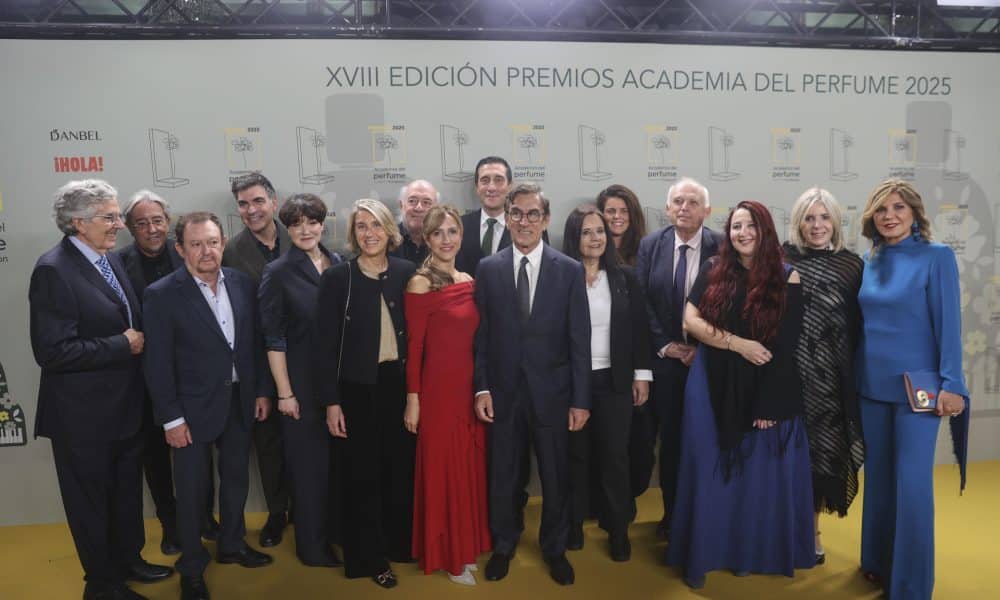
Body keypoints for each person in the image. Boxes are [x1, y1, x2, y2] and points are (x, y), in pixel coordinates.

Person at [30, 179, 172, 600]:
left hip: (124, 409)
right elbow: (52, 351)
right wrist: (120, 345)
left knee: (125, 497)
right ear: (78, 223)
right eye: (109, 217)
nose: (119, 225)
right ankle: (104, 586)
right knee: (91, 504)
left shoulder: (106, 260)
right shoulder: (53, 269)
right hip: (82, 419)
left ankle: (129, 561)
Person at [666, 200, 814, 589]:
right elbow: (690, 320)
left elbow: (785, 346)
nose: (742, 233)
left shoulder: (788, 276)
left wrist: (770, 404)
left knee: (756, 477)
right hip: (709, 383)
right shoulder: (715, 270)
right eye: (735, 227)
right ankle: (707, 551)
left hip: (766, 384)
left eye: (750, 226)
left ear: (765, 230)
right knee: (708, 471)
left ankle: (750, 553)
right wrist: (736, 344)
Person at [144, 211, 275, 600]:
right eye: (197, 244)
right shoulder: (162, 294)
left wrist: (262, 392)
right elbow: (158, 363)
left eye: (213, 242)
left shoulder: (240, 283)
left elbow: (253, 344)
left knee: (236, 479)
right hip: (189, 409)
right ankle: (192, 567)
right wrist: (171, 418)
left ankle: (233, 545)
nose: (207, 251)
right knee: (192, 492)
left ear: (223, 243)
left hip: (239, 400)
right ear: (180, 248)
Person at [856, 179, 969, 600]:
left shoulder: (936, 257)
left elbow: (949, 325)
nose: (890, 215)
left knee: (912, 485)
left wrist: (952, 384)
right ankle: (878, 563)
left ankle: (911, 585)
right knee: (881, 481)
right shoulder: (871, 259)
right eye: (882, 209)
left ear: (915, 213)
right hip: (871, 388)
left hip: (919, 391)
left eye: (899, 207)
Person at [474, 183, 591, 586]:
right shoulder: (488, 269)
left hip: (554, 396)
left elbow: (580, 339)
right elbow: (482, 336)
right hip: (504, 395)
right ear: (506, 218)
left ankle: (554, 548)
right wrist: (482, 388)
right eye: (517, 214)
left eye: (533, 214)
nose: (524, 222)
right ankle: (504, 544)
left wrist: (580, 399)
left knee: (556, 477)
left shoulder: (569, 270)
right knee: (504, 475)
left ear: (546, 220)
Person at [317, 199, 417, 589]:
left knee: (398, 472)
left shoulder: (408, 273)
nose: (369, 233)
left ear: (390, 231)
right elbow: (324, 346)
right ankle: (370, 558)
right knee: (363, 478)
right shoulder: (337, 278)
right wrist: (330, 402)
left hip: (399, 387)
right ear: (353, 234)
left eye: (376, 226)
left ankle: (397, 544)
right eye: (361, 226)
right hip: (356, 390)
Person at [118, 190, 219, 554]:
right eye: (141, 223)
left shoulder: (189, 256)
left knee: (199, 451)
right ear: (129, 228)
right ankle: (171, 524)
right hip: (144, 377)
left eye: (157, 220)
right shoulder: (117, 264)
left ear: (168, 224)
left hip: (193, 376)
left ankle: (204, 518)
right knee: (155, 456)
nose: (151, 229)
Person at [404, 205, 491, 585]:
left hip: (468, 391)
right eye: (437, 233)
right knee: (444, 472)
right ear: (426, 238)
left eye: (452, 231)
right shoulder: (420, 283)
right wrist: (413, 398)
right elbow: (415, 349)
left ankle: (465, 548)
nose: (446, 240)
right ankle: (448, 557)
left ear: (461, 235)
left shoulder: (469, 278)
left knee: (467, 470)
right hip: (437, 394)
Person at [561, 205, 651, 562]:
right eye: (586, 232)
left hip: (615, 380)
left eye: (599, 231)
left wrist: (641, 375)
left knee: (615, 457)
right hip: (572, 383)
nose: (595, 238)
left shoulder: (625, 277)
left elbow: (640, 330)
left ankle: (618, 529)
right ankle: (572, 526)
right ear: (574, 237)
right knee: (575, 457)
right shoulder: (561, 276)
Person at [258, 194, 344, 568]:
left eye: (312, 222)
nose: (305, 230)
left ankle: (337, 535)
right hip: (301, 389)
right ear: (287, 229)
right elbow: (273, 339)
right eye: (296, 224)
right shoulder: (277, 272)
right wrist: (285, 394)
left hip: (339, 385)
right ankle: (312, 548)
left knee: (336, 470)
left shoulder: (338, 262)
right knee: (309, 473)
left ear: (323, 223)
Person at [634, 177, 722, 537]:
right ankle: (673, 518)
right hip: (666, 363)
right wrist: (668, 346)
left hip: (711, 362)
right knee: (671, 444)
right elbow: (641, 301)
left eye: (692, 202)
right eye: (677, 202)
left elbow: (731, 303)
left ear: (707, 211)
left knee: (707, 442)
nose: (684, 208)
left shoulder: (724, 246)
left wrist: (703, 346)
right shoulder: (651, 245)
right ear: (667, 208)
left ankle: (706, 520)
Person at [783, 187, 865, 565]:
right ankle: (779, 529)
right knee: (785, 457)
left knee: (822, 459)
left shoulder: (853, 265)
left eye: (824, 217)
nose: (817, 225)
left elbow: (861, 326)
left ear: (836, 220)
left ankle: (812, 531)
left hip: (832, 383)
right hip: (786, 376)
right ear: (799, 222)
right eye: (809, 217)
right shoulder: (782, 260)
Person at [222, 173, 293, 549]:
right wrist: (262, 387)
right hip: (260, 368)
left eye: (258, 201)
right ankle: (278, 513)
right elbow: (238, 322)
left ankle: (311, 511)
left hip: (305, 362)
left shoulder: (300, 234)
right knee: (269, 448)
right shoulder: (230, 252)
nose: (251, 210)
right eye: (244, 204)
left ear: (273, 201)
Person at [596, 184, 646, 266]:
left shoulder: (645, 252)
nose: (617, 216)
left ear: (633, 215)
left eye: (624, 211)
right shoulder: (593, 253)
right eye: (610, 211)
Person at [391, 179, 439, 264]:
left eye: (426, 202)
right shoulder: (387, 240)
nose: (419, 208)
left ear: (436, 209)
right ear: (401, 205)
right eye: (412, 201)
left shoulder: (444, 242)